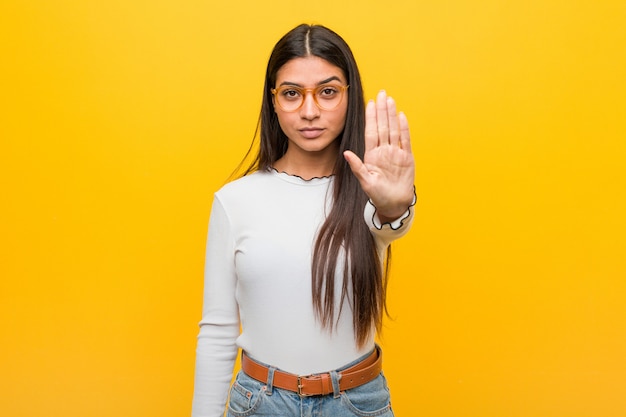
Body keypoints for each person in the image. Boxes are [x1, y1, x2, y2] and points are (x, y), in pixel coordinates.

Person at [192, 23, 416, 417]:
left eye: (328, 92)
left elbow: (389, 222)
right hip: (259, 403)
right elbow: (218, 330)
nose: (309, 111)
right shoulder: (235, 200)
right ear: (273, 101)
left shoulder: (369, 191)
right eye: (292, 94)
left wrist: (395, 205)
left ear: (350, 96)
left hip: (356, 403)